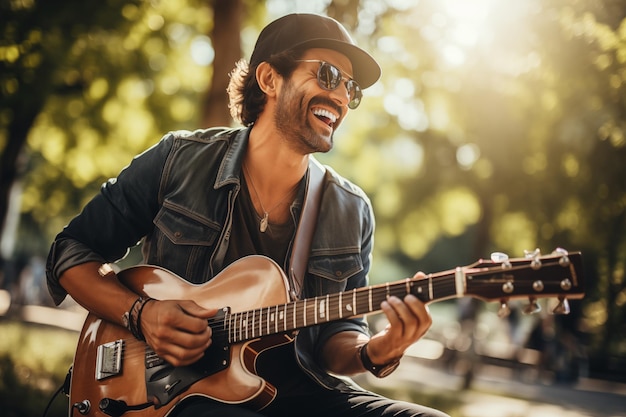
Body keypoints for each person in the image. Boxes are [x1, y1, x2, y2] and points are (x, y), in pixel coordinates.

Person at [46, 13, 450, 417]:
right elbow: (71, 251)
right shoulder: (178, 160)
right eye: (328, 75)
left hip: (302, 393)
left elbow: (336, 338)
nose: (343, 97)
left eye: (351, 88)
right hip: (175, 394)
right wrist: (141, 314)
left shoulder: (352, 209)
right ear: (269, 79)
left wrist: (379, 350)